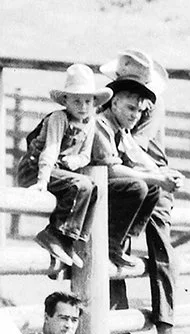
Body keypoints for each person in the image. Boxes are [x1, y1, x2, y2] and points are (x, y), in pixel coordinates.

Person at [99, 50, 180, 334]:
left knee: (160, 246)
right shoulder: (115, 105)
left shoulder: (147, 107)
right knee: (114, 241)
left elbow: (136, 148)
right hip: (131, 177)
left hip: (151, 177)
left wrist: (160, 178)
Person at [17, 64, 112, 270]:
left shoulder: (90, 123)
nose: (83, 106)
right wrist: (42, 181)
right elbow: (50, 150)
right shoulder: (58, 118)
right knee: (81, 184)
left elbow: (86, 155)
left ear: (94, 102)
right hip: (36, 170)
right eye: (77, 100)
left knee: (94, 188)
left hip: (60, 173)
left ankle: (69, 243)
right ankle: (52, 234)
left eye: (88, 101)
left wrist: (75, 161)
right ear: (65, 100)